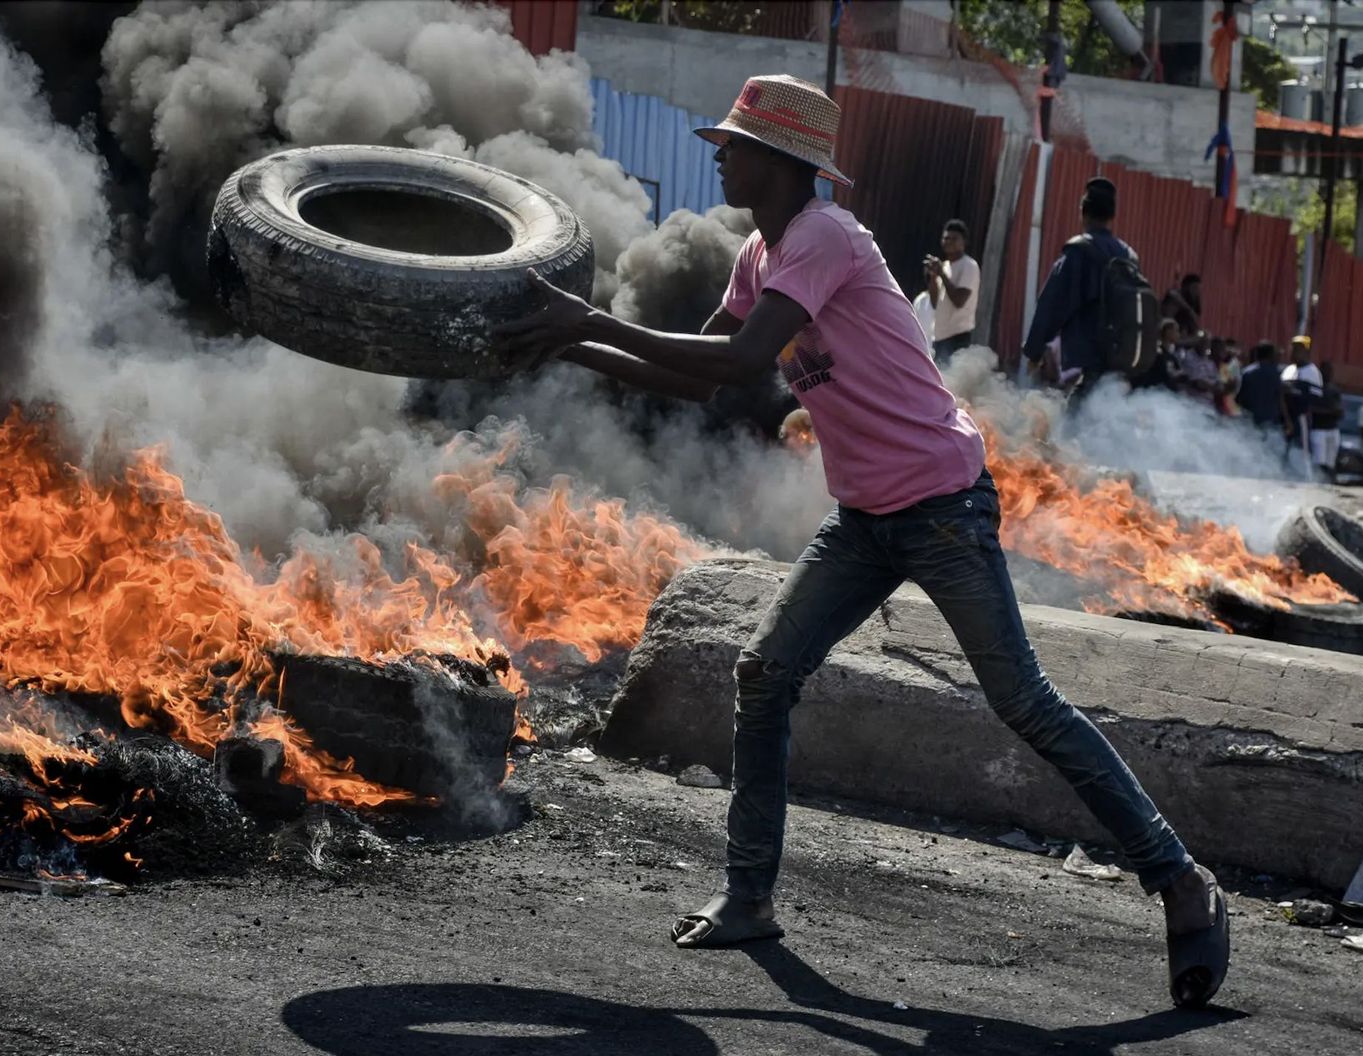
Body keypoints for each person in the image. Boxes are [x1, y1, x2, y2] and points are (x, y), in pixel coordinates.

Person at [493, 74, 1228, 1008]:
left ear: (785, 163)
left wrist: (585, 321)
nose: (720, 153)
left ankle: (1179, 881)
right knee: (765, 674)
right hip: (868, 520)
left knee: (1025, 704)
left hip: (944, 509)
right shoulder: (762, 253)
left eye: (736, 143)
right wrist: (571, 346)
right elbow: (700, 379)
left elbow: (746, 360)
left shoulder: (828, 238)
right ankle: (749, 896)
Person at [1021, 176, 1139, 398]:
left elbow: (1051, 304)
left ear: (1082, 210)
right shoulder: (1128, 256)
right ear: (1112, 215)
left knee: (1074, 426)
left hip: (1087, 365)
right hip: (1120, 367)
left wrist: (1034, 352)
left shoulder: (1080, 251)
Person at [917, 218, 980, 363]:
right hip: (939, 336)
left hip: (957, 337)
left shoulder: (969, 265)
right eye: (946, 238)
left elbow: (959, 300)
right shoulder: (944, 266)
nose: (949, 242)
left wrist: (942, 275)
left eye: (954, 239)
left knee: (951, 381)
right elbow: (935, 303)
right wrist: (933, 277)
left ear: (964, 242)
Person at [1281, 336, 1323, 477]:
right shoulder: (1288, 370)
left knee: (1302, 448)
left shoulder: (1312, 371)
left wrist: (1294, 391)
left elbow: (1315, 397)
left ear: (1306, 352)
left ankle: (1306, 477)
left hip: (1301, 416)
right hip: (1286, 416)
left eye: (1297, 349)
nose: (1293, 353)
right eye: (1292, 349)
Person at [1309, 362, 1343, 482]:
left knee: (1330, 463)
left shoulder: (1334, 390)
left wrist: (1330, 411)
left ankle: (1330, 484)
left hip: (1332, 430)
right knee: (1319, 462)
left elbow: (1340, 411)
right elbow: (1311, 409)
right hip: (1318, 431)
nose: (1328, 374)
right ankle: (1318, 483)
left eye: (1329, 371)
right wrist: (1329, 411)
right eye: (1325, 371)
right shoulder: (1314, 388)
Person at [1213, 337, 1242, 416]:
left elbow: (1231, 385)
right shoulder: (1215, 363)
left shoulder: (1232, 364)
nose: (1229, 351)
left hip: (1228, 401)